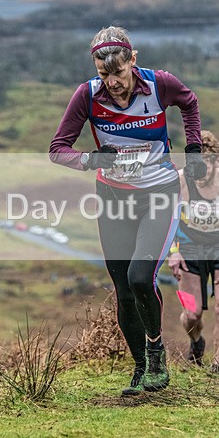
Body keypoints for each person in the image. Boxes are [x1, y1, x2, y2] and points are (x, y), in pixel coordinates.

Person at [49, 26, 204, 395]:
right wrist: (90, 159)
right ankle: (140, 370)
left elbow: (190, 102)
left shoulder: (159, 84)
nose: (113, 82)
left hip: (159, 195)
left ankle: (156, 353)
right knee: (123, 290)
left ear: (133, 60)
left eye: (119, 72)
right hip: (114, 198)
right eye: (105, 75)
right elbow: (58, 148)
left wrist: (193, 147)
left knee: (140, 277)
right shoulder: (87, 95)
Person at [167, 130, 219, 374]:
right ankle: (196, 342)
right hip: (188, 247)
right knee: (191, 313)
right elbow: (165, 218)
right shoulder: (180, 180)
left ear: (217, 162)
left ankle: (218, 369)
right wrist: (173, 252)